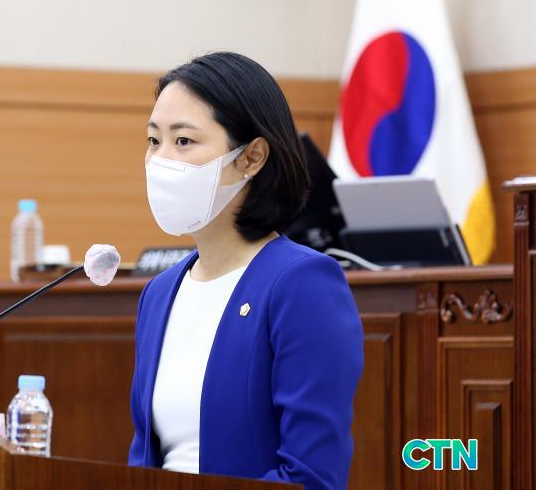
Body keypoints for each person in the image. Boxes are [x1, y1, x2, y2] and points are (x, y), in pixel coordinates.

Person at [127, 51, 364, 489]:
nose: (161, 161)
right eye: (153, 140)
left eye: (184, 141)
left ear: (252, 157)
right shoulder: (159, 294)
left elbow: (312, 474)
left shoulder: (302, 284)